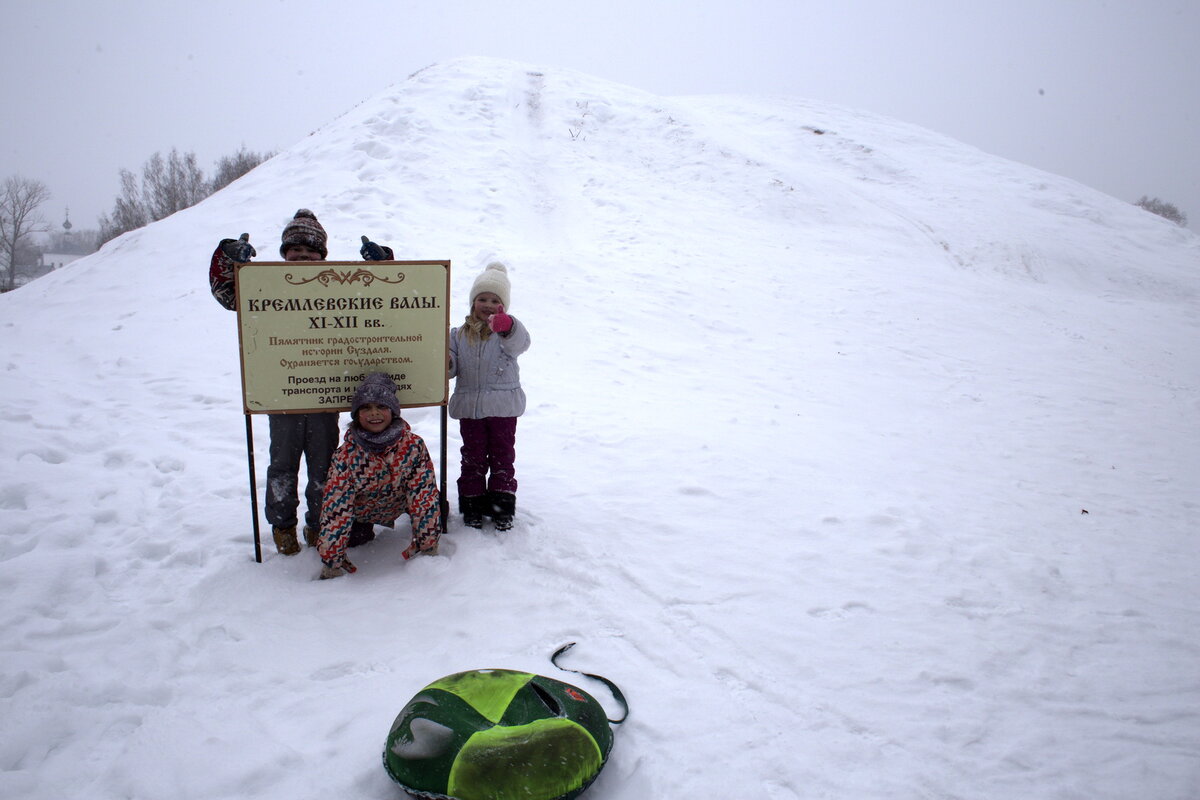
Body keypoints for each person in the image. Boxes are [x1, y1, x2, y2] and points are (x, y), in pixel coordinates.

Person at [208, 208, 394, 556]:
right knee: (282, 466)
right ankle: (282, 527)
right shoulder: (264, 286)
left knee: (325, 466)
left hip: (323, 394)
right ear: (284, 255)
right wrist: (226, 258)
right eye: (296, 253)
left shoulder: (334, 285)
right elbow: (228, 294)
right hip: (283, 395)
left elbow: (379, 303)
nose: (303, 259)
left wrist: (383, 264)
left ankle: (321, 523)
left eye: (311, 254)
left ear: (322, 256)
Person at [316, 373, 442, 579]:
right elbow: (336, 507)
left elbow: (423, 495)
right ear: (357, 415)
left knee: (437, 509)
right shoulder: (345, 455)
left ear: (393, 412)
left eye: (381, 407)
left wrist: (428, 546)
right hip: (364, 511)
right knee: (356, 538)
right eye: (366, 408)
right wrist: (332, 561)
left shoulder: (413, 446)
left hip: (400, 504)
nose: (374, 414)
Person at [448, 261, 531, 531]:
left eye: (494, 300)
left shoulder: (506, 333)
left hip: (502, 409)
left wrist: (508, 327)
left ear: (503, 305)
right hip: (471, 410)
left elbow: (522, 343)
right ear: (472, 302)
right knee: (472, 458)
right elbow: (451, 366)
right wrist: (444, 363)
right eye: (481, 298)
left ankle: (500, 507)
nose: (487, 304)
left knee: (502, 458)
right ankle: (472, 506)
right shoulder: (458, 335)